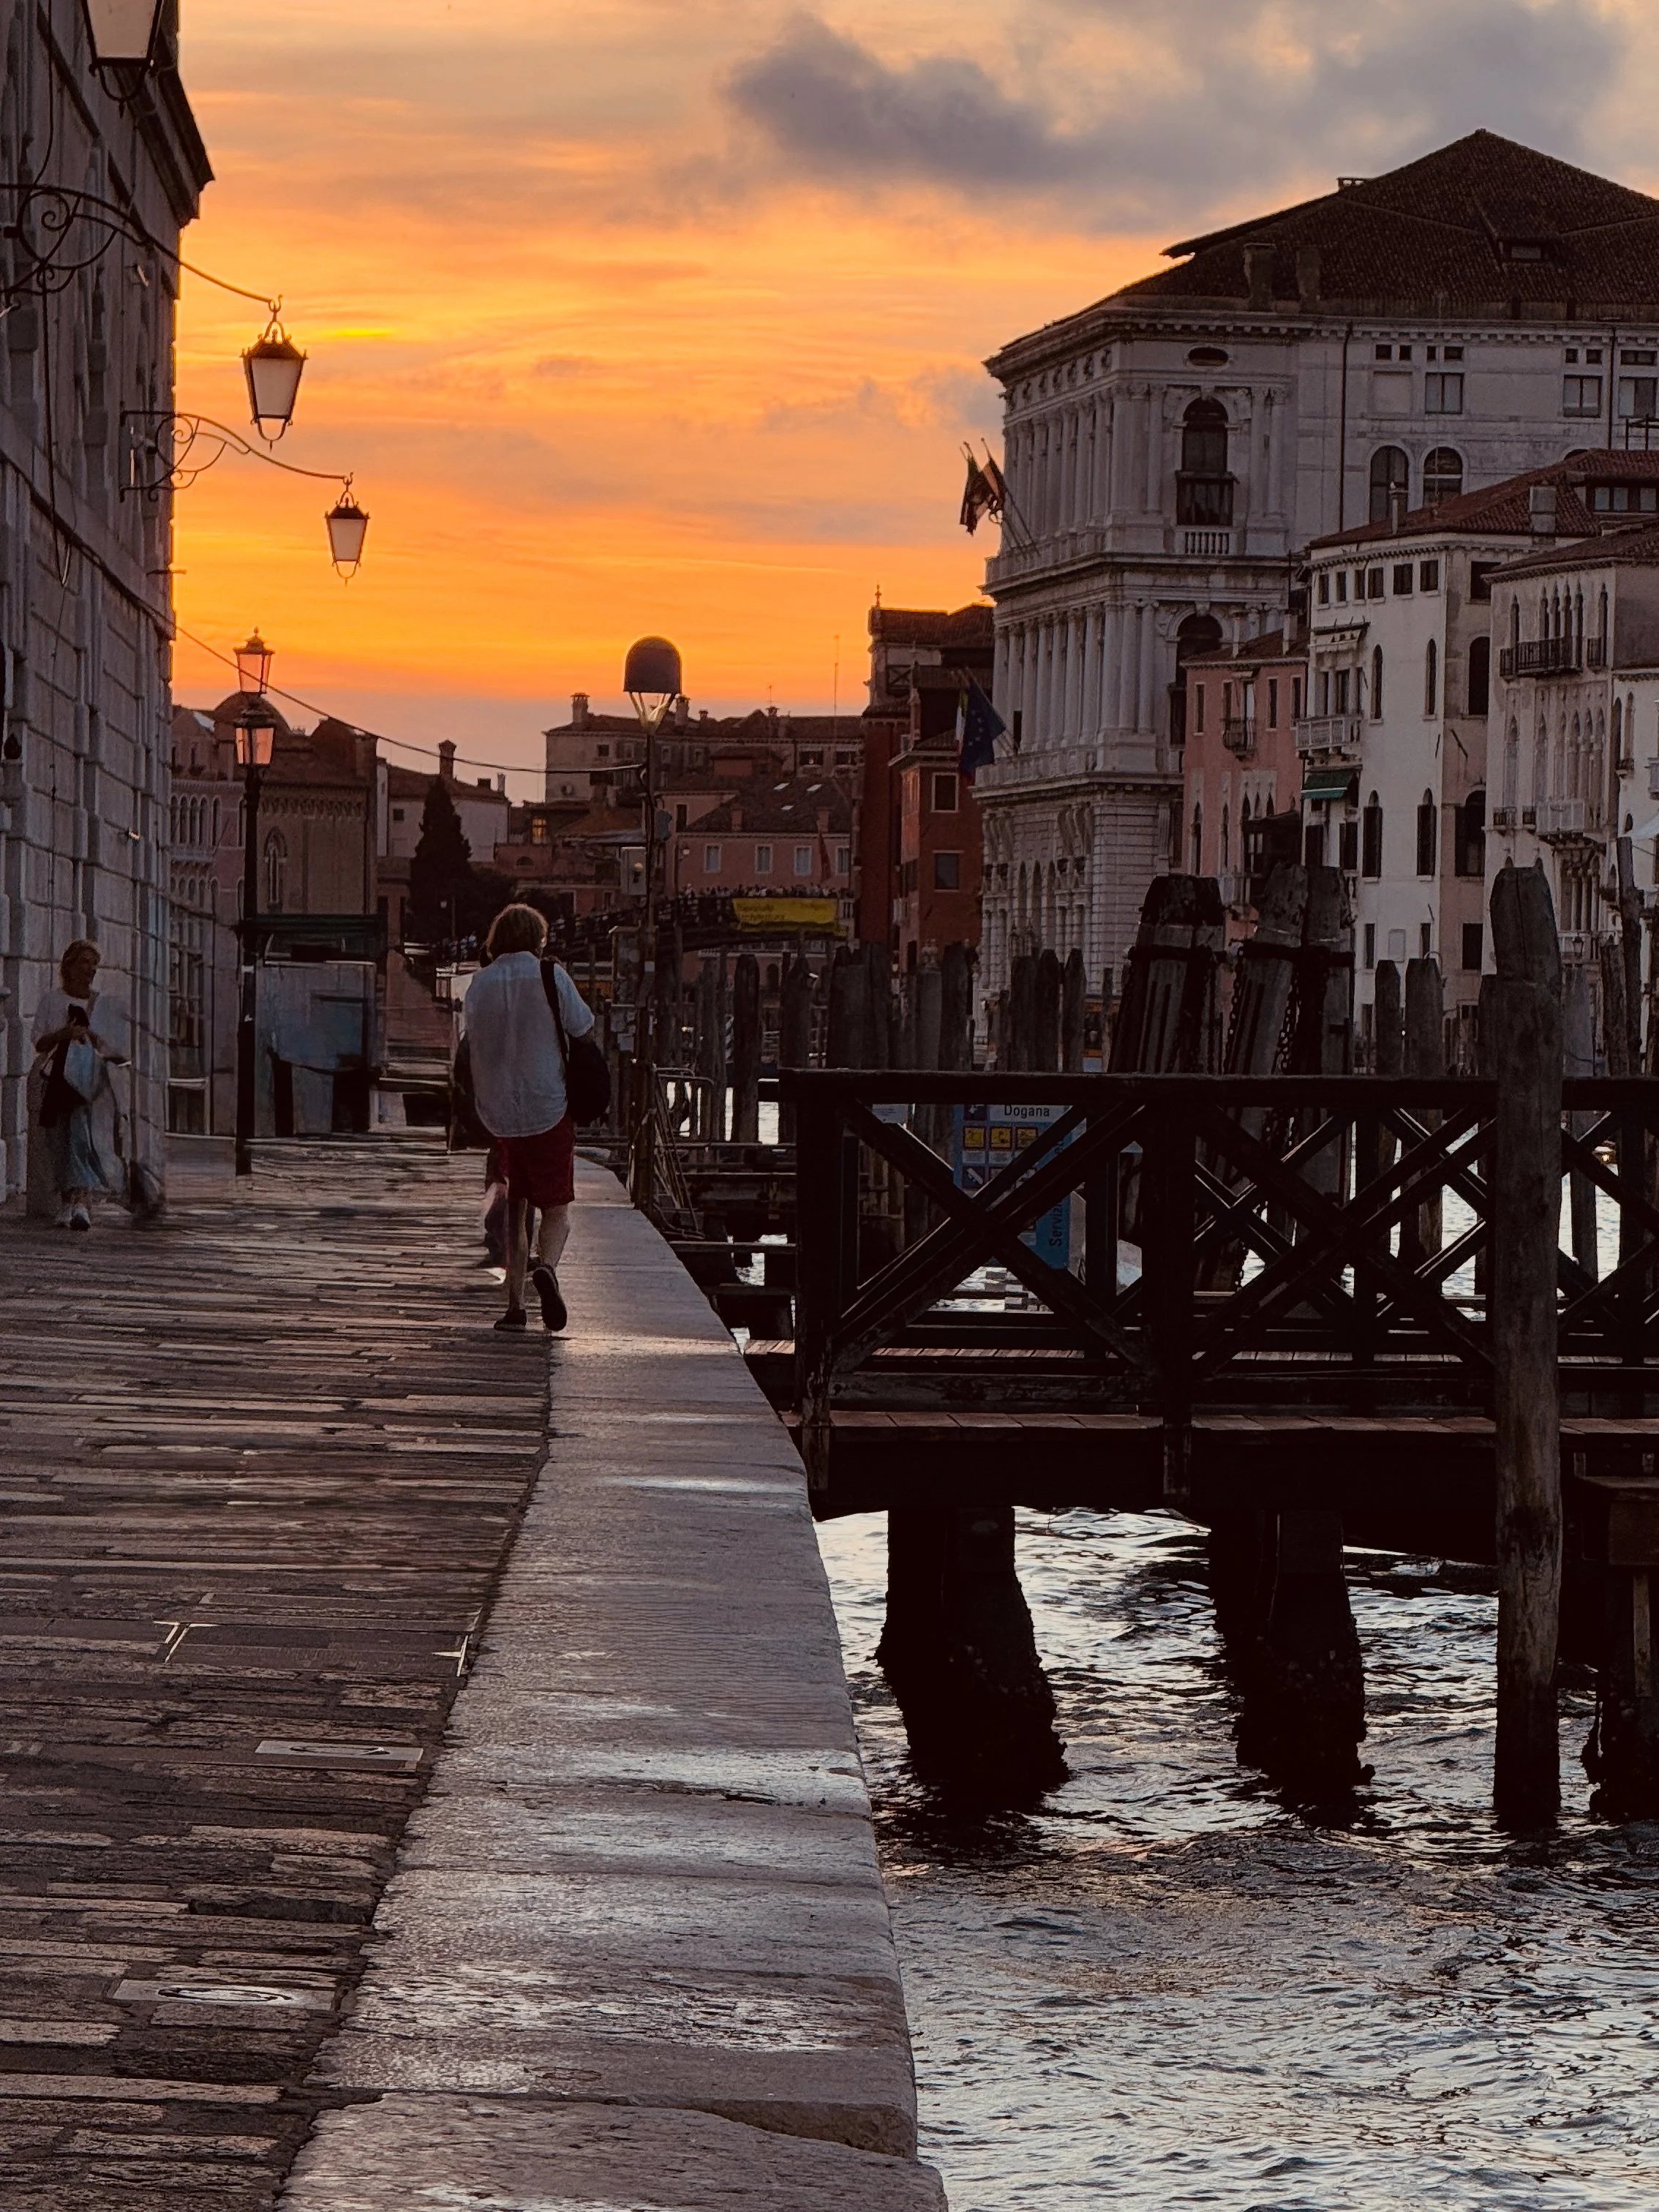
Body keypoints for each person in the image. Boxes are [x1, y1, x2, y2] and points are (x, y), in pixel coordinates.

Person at [462, 903, 595, 1331]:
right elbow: (582, 1026)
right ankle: (548, 1269)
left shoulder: (479, 984)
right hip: (548, 1107)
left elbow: (471, 1045)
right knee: (556, 1207)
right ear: (538, 939)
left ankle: (515, 1308)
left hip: (498, 1115)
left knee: (516, 1206)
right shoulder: (550, 975)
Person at [31, 939, 128, 1231]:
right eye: (85, 962)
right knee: (58, 1139)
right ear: (70, 966)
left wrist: (94, 1037)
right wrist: (65, 1033)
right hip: (58, 1078)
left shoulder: (100, 1003)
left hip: (88, 1081)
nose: (91, 969)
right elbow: (39, 1042)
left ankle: (81, 1202)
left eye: (94, 964)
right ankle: (67, 1199)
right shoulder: (51, 1000)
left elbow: (116, 1050)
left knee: (81, 1139)